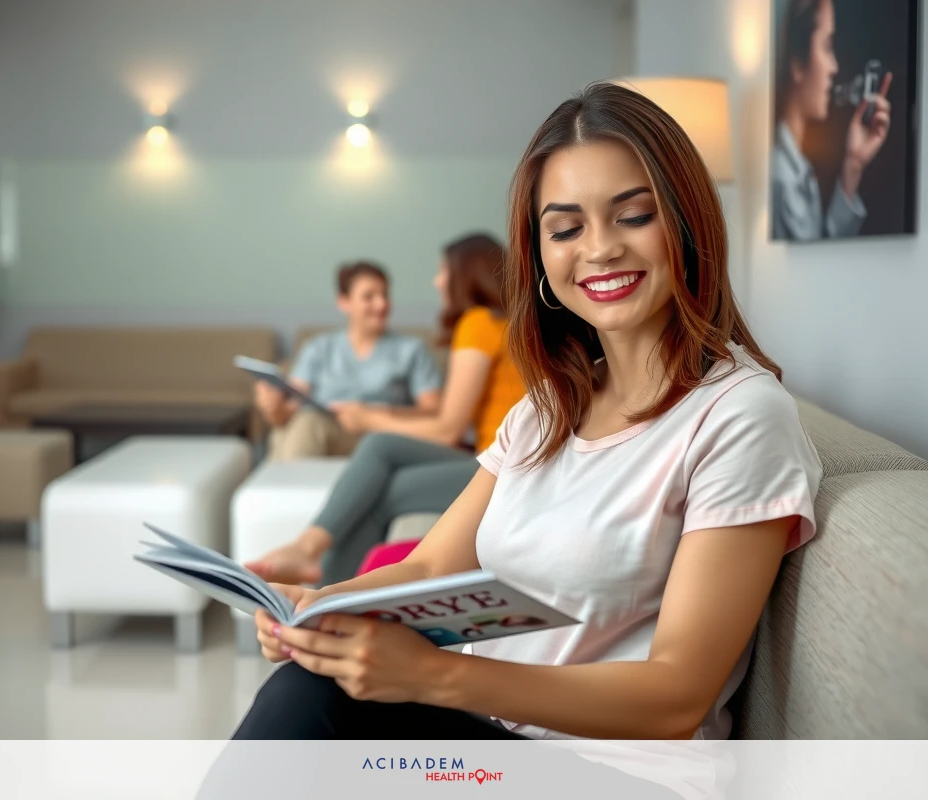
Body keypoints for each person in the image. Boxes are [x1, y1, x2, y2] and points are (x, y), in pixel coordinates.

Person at [235, 82, 822, 743]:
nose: (598, 249)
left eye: (633, 216)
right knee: (310, 683)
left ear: (686, 223)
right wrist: (319, 611)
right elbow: (430, 568)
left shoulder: (740, 416)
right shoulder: (548, 408)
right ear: (540, 256)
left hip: (611, 773)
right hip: (493, 740)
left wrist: (432, 677)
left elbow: (676, 693)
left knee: (313, 706)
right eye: (566, 228)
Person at [246, 233, 523, 586]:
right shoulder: (509, 323)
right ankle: (309, 554)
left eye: (443, 272)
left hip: (502, 466)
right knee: (378, 445)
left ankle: (325, 596)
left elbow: (448, 428)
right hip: (498, 456)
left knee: (380, 491)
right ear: (344, 302)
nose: (437, 281)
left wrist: (370, 417)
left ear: (464, 275)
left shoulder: (478, 324)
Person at [255, 261, 442, 460]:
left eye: (385, 295)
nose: (381, 304)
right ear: (344, 302)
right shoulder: (319, 347)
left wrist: (373, 414)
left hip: (376, 436)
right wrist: (274, 408)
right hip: (321, 429)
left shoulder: (411, 349)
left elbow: (433, 412)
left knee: (305, 426)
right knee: (286, 430)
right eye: (369, 297)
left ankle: (278, 489)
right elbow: (290, 408)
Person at [772, 0, 892, 240]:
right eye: (827, 47)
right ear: (797, 62)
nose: (834, 67)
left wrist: (854, 164)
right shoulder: (781, 178)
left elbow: (818, 248)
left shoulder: (798, 170)